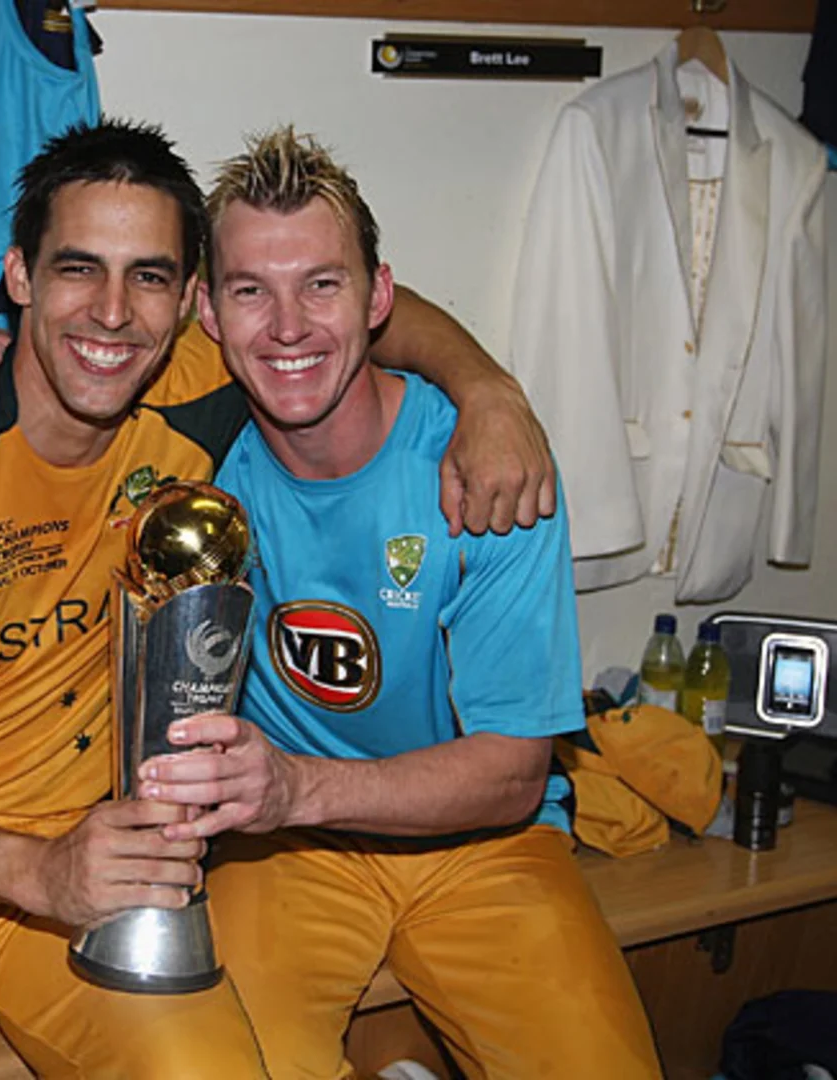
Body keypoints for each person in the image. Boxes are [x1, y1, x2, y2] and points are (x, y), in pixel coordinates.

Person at [0, 119, 553, 1079]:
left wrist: (490, 388)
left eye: (151, 277)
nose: (115, 314)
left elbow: (344, 304)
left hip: (102, 869)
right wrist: (32, 873)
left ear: (192, 305)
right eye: (79, 269)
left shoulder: (199, 384)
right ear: (18, 277)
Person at [131, 128, 664, 1078]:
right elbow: (64, 348)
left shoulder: (485, 468)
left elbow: (509, 772)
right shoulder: (188, 442)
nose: (288, 326)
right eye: (252, 290)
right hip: (284, 852)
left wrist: (489, 390)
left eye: (323, 285)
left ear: (379, 297)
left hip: (482, 843)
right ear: (207, 312)